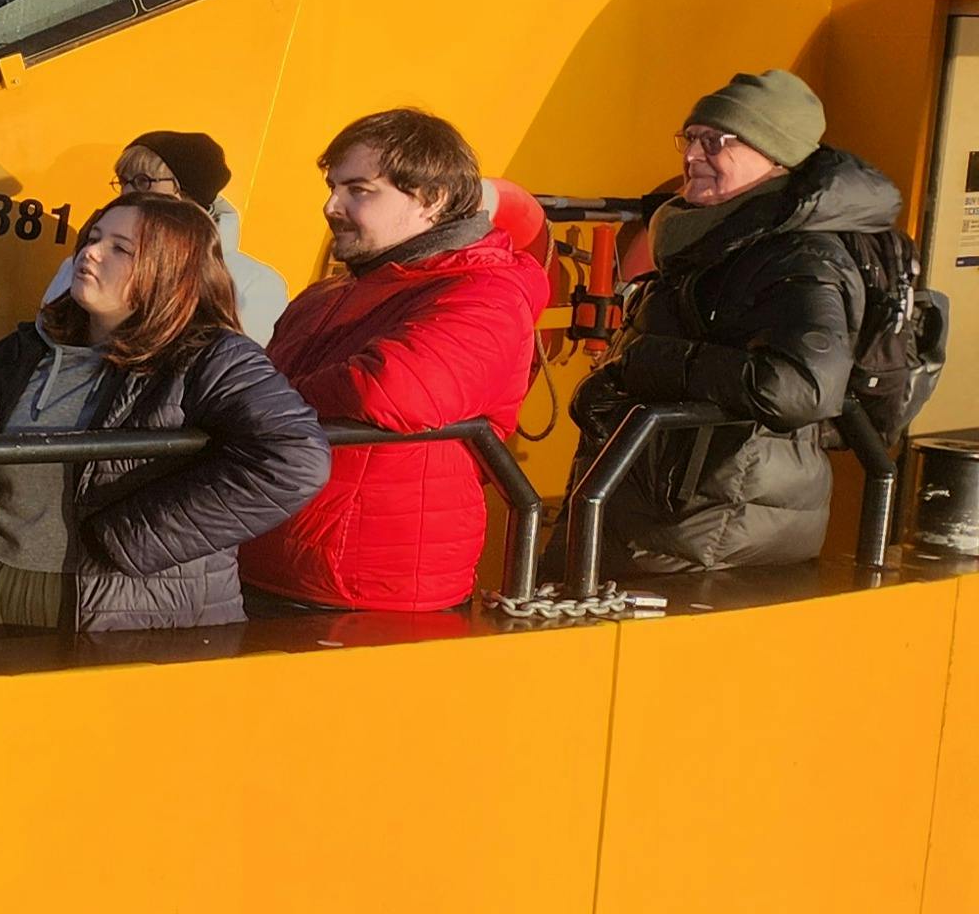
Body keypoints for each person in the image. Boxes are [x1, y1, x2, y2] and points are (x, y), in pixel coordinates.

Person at [0, 195, 330, 633]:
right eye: (93, 238)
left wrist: (133, 535)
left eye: (120, 248)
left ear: (171, 269)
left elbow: (295, 458)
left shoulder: (212, 356)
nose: (90, 252)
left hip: (127, 609)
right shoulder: (26, 348)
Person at [575, 67, 903, 575]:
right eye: (690, 138)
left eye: (715, 141)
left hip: (713, 532)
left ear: (775, 156)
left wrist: (647, 362)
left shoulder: (801, 255)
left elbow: (799, 385)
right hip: (671, 514)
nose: (690, 156)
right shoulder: (715, 237)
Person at [236, 108, 551, 614]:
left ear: (433, 200)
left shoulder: (487, 292)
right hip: (279, 563)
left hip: (371, 590)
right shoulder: (331, 294)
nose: (331, 205)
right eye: (333, 186)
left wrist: (245, 402)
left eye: (359, 190)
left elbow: (391, 388)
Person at [42, 129, 291, 343]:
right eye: (123, 181)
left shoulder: (252, 284)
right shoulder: (82, 260)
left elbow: (234, 377)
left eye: (142, 181)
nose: (127, 193)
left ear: (185, 191)